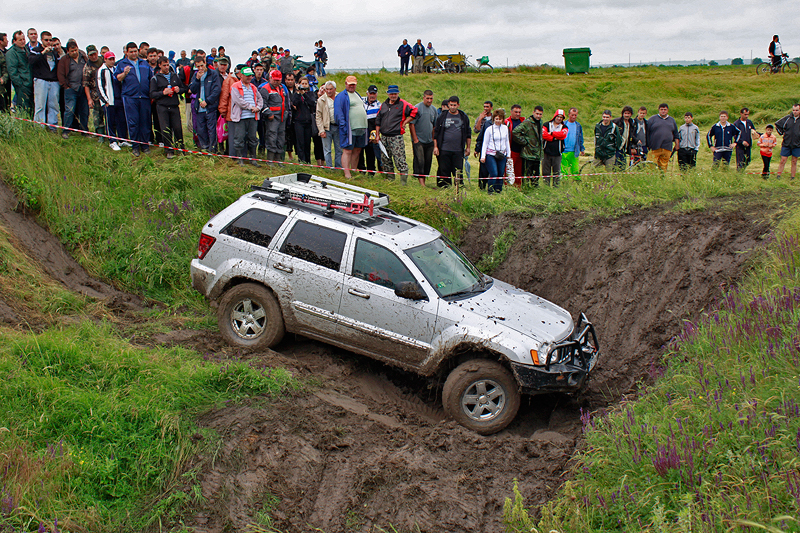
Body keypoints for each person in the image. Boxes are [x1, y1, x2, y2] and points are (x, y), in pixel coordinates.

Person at [116, 41, 153, 155]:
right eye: (131, 52)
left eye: (135, 51)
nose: (133, 53)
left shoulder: (144, 63)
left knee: (145, 122)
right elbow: (118, 78)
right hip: (130, 97)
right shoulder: (122, 64)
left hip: (144, 97)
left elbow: (151, 78)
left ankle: (145, 145)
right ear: (126, 52)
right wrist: (125, 73)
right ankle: (135, 146)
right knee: (133, 122)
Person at [375, 84, 418, 183]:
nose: (393, 96)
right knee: (385, 159)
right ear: (388, 94)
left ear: (398, 93)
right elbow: (378, 120)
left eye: (395, 94)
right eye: (391, 94)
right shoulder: (384, 105)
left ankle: (403, 182)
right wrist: (377, 135)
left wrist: (406, 122)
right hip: (384, 136)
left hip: (396, 136)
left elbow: (415, 111)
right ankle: (390, 180)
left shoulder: (403, 104)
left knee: (399, 159)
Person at [149, 56, 186, 158]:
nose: (166, 67)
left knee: (177, 128)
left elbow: (184, 88)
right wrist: (163, 92)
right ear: (159, 65)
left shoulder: (175, 76)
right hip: (162, 107)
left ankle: (180, 147)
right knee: (165, 128)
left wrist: (180, 90)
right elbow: (152, 94)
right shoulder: (155, 78)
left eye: (167, 65)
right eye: (164, 65)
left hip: (174, 106)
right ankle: (168, 149)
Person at [334, 75, 368, 178]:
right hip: (349, 128)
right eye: (350, 85)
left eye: (353, 85)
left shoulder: (357, 95)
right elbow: (338, 113)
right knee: (347, 150)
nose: (352, 86)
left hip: (361, 127)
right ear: (346, 84)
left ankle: (353, 170)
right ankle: (347, 173)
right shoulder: (341, 96)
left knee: (357, 150)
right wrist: (343, 125)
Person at [433, 95, 471, 187]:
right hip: (444, 148)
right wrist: (435, 146)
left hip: (458, 149)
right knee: (444, 169)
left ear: (458, 105)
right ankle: (445, 187)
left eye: (454, 105)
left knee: (458, 170)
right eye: (451, 105)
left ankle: (459, 186)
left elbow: (468, 133)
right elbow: (436, 133)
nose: (453, 107)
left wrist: (468, 148)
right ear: (448, 105)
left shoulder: (463, 117)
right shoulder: (442, 116)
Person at [28, 31, 63, 130]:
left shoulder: (54, 53)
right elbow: (31, 61)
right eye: (46, 40)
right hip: (41, 80)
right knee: (40, 105)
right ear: (42, 40)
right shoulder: (36, 50)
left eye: (50, 40)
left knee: (54, 105)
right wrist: (42, 52)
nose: (48, 42)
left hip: (53, 81)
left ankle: (52, 126)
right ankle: (39, 127)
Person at [229, 66, 263, 166]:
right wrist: (251, 107)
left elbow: (260, 99)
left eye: (250, 76)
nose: (249, 78)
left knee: (253, 138)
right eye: (247, 76)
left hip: (253, 116)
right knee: (239, 138)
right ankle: (240, 159)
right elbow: (238, 101)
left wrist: (258, 107)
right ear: (241, 75)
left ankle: (253, 159)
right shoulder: (235, 86)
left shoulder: (253, 87)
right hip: (240, 117)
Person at [188, 52, 221, 152]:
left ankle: (213, 149)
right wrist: (197, 79)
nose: (200, 68)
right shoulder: (195, 75)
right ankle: (204, 147)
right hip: (199, 107)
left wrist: (207, 101)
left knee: (211, 130)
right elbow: (192, 89)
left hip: (210, 107)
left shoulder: (213, 73)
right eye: (198, 66)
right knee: (201, 129)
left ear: (205, 63)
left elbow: (217, 90)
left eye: (202, 65)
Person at [57, 41, 89, 138]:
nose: (74, 52)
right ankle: (66, 130)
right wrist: (65, 86)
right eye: (72, 51)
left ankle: (85, 131)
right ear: (68, 51)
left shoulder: (83, 57)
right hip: (71, 88)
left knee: (84, 111)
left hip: (83, 87)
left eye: (75, 50)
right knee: (69, 110)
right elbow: (60, 74)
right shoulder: (64, 60)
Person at [260, 68, 291, 162]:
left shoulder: (282, 88)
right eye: (274, 80)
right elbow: (262, 104)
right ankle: (270, 160)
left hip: (282, 117)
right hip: (272, 118)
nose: (276, 82)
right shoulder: (265, 89)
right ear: (270, 78)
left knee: (281, 138)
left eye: (278, 80)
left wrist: (286, 113)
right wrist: (269, 114)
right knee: (271, 137)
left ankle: (278, 159)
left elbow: (285, 102)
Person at [480, 109, 512, 194]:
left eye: (500, 119)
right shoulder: (489, 129)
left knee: (500, 174)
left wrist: (509, 154)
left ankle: (498, 190)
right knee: (494, 173)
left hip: (502, 154)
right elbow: (485, 143)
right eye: (496, 119)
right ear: (494, 119)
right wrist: (483, 156)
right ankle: (490, 190)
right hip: (491, 154)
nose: (498, 121)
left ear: (502, 119)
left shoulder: (505, 128)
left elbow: (507, 142)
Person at [97, 51, 124, 150]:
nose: (112, 61)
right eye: (110, 59)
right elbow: (99, 86)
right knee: (110, 121)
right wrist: (105, 100)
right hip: (109, 100)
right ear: (105, 59)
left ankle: (121, 140)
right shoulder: (102, 70)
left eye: (113, 59)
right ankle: (112, 140)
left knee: (120, 120)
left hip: (118, 99)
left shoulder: (115, 69)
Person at [511, 105, 544, 187]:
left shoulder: (540, 122)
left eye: (540, 114)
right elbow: (515, 132)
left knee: (536, 175)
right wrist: (524, 142)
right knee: (526, 174)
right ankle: (525, 190)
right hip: (528, 154)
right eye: (537, 113)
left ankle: (534, 190)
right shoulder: (527, 122)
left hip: (537, 154)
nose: (538, 116)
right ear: (533, 113)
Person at [411, 90, 437, 185]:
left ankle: (424, 180)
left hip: (429, 140)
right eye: (428, 98)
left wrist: (434, 140)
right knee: (420, 160)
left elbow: (434, 126)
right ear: (423, 98)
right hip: (419, 140)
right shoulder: (417, 108)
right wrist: (415, 140)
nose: (429, 100)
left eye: (431, 98)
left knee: (428, 161)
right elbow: (412, 124)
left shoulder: (434, 110)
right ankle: (421, 183)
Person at [6, 30, 33, 117]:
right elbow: (12, 71)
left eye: (23, 39)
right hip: (22, 84)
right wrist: (21, 84)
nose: (22, 41)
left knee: (31, 107)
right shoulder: (11, 53)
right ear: (14, 41)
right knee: (23, 108)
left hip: (30, 82)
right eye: (20, 40)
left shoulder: (26, 49)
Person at [646, 103, 679, 171]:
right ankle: (651, 178)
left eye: (665, 109)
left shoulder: (672, 120)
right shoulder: (652, 119)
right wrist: (647, 144)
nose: (663, 111)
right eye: (661, 109)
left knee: (663, 166)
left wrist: (677, 144)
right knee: (651, 165)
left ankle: (662, 179)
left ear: (667, 110)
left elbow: (676, 133)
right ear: (659, 110)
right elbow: (647, 132)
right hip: (654, 147)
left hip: (667, 147)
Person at [291, 75, 316, 164]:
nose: (304, 85)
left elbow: (312, 103)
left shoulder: (310, 94)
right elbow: (295, 103)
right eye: (302, 83)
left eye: (306, 84)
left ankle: (308, 160)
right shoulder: (296, 94)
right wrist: (298, 92)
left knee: (307, 142)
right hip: (299, 121)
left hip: (308, 121)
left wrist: (304, 93)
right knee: (300, 142)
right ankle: (301, 160)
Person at [316, 80, 340, 167]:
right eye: (327, 89)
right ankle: (329, 167)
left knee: (339, 149)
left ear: (335, 89)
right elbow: (318, 117)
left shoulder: (339, 97)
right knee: (327, 150)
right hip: (327, 127)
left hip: (338, 127)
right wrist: (321, 130)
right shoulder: (321, 100)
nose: (329, 91)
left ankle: (338, 167)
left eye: (331, 89)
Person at [216, 59, 237, 156]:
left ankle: (228, 149)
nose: (223, 66)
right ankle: (220, 147)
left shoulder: (230, 77)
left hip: (228, 106)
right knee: (219, 128)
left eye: (225, 65)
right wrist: (222, 109)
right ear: (217, 65)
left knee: (227, 129)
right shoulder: (214, 75)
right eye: (221, 64)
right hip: (217, 104)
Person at [542, 109, 568, 186]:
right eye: (558, 116)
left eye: (561, 117)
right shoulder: (547, 124)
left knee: (556, 172)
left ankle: (556, 187)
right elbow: (544, 134)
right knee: (546, 171)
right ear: (554, 116)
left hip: (557, 153)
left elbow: (563, 135)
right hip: (546, 152)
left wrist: (552, 133)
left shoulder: (564, 126)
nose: (559, 118)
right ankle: (546, 186)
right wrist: (554, 138)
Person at [360, 84, 382, 173]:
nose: (372, 95)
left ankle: (371, 171)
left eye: (374, 93)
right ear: (367, 93)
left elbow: (379, 122)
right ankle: (361, 169)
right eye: (370, 93)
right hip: (361, 129)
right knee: (360, 151)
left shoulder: (379, 105)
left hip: (371, 130)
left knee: (371, 152)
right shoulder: (361, 101)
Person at [83, 45, 104, 136]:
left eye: (94, 54)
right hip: (96, 94)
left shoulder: (104, 61)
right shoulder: (87, 67)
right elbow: (86, 84)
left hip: (107, 92)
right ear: (88, 55)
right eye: (91, 55)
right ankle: (100, 134)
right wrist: (89, 99)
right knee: (97, 116)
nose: (93, 56)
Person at [774, 103, 800, 180]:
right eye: (793, 110)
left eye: (797, 110)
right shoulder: (787, 118)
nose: (795, 112)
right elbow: (777, 124)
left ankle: (792, 177)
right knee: (783, 160)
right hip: (786, 143)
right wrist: (781, 133)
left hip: (797, 144)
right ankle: (778, 176)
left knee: (794, 161)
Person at [561, 107, 585, 176]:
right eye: (572, 115)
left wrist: (581, 148)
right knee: (564, 170)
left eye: (575, 115)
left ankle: (576, 182)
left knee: (575, 169)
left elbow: (580, 138)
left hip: (574, 151)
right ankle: (564, 182)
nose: (574, 117)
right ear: (569, 114)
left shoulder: (578, 125)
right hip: (564, 151)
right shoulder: (563, 124)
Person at [734, 107, 758, 172]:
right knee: (740, 161)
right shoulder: (736, 123)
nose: (747, 116)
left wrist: (759, 135)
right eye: (745, 114)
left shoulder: (749, 122)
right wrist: (741, 141)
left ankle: (742, 171)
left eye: (748, 114)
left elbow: (753, 131)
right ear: (741, 114)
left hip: (748, 144)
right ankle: (739, 174)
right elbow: (734, 135)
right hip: (740, 146)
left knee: (748, 160)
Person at [506, 104, 525, 185]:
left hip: (521, 150)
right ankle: (506, 186)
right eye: (516, 112)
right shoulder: (507, 122)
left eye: (519, 112)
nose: (518, 114)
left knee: (519, 171)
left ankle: (518, 187)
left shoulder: (523, 121)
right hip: (511, 149)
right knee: (509, 169)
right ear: (511, 112)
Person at [0, 34, 9, 113]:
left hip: (4, 85)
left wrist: (3, 78)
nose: (7, 41)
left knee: (5, 108)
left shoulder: (7, 52)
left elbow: (5, 67)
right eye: (6, 39)